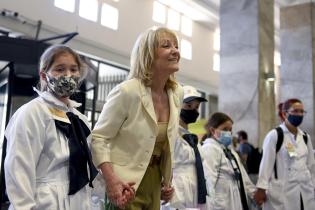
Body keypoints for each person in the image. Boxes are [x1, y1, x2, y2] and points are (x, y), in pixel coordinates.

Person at [91, 27, 183, 210]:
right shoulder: (127, 91)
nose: (175, 51)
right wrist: (112, 181)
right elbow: (98, 138)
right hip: (125, 186)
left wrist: (167, 179)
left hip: (155, 183)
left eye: (176, 46)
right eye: (166, 45)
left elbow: (165, 143)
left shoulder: (176, 93)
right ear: (148, 54)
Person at [4, 44, 98, 210]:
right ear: (44, 75)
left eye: (73, 69)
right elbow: (18, 169)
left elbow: (88, 165)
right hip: (45, 202)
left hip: (79, 201)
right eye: (60, 69)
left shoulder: (80, 119)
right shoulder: (31, 113)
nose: (68, 75)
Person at [254, 98, 315, 210]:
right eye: (295, 111)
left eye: (302, 112)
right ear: (284, 113)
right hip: (282, 191)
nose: (299, 114)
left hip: (305, 190)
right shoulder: (275, 135)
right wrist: (261, 189)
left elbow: (311, 165)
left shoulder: (305, 137)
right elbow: (266, 164)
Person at [201, 112, 256, 210]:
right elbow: (208, 183)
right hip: (220, 206)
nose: (229, 133)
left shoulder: (230, 151)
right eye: (225, 129)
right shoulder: (209, 149)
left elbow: (244, 179)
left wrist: (255, 195)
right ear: (213, 130)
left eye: (230, 130)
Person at [168, 85, 209, 210]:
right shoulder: (170, 133)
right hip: (177, 192)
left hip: (195, 189)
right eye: (188, 106)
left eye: (196, 107)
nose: (194, 110)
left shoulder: (192, 138)